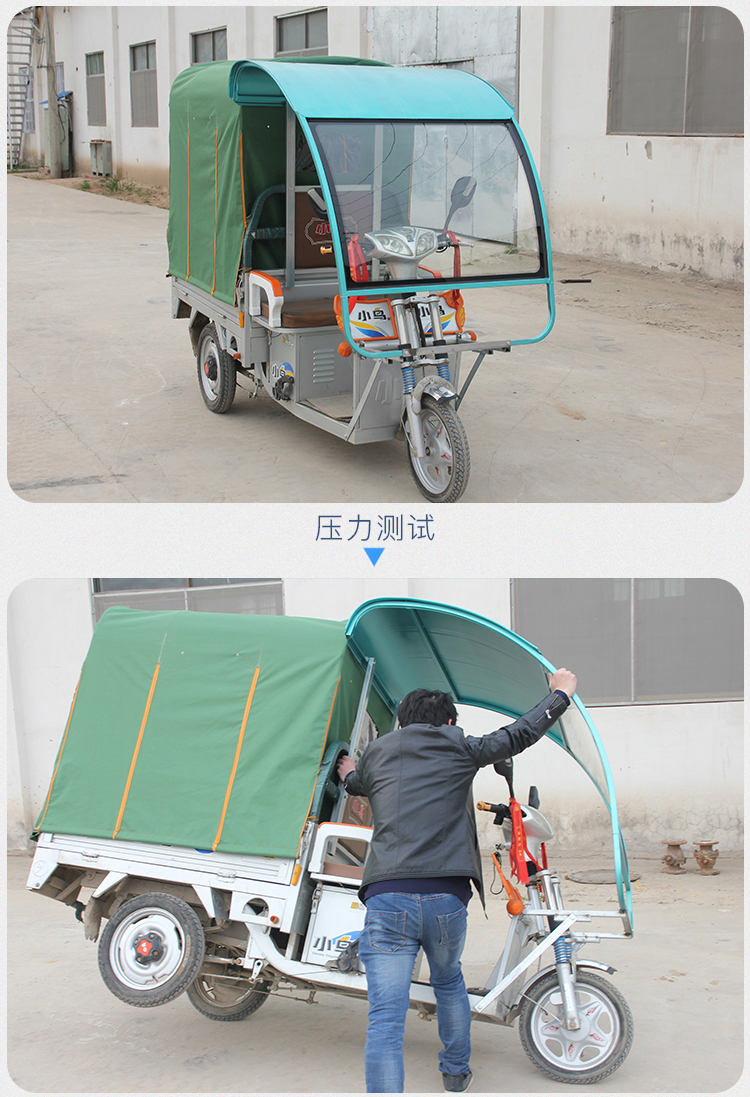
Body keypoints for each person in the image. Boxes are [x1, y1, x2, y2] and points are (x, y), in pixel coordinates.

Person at [336, 668, 578, 1094]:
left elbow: (355, 784)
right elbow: (519, 734)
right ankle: (455, 1072)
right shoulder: (461, 747)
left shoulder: (377, 752)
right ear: (448, 722)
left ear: (404, 721)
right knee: (448, 982)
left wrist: (347, 770)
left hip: (388, 897)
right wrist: (559, 695)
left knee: (385, 1019)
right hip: (446, 897)